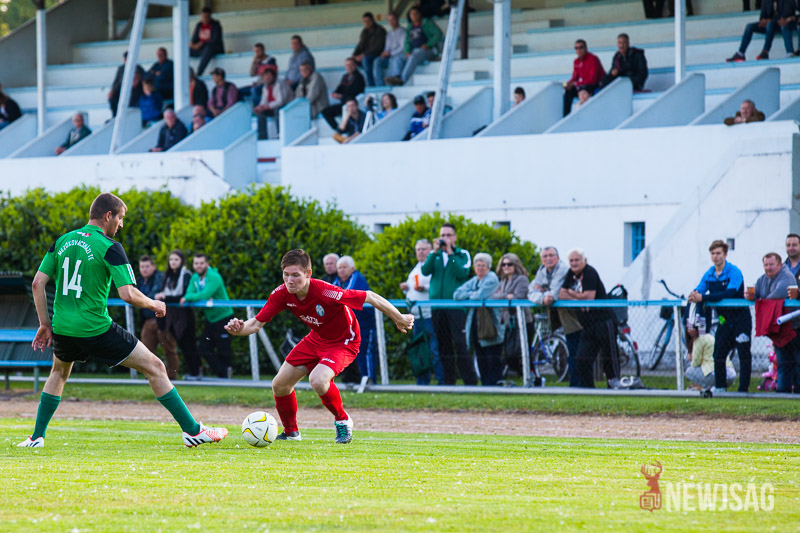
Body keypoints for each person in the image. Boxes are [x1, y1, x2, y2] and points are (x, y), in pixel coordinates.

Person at [17, 192, 227, 449]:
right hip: (95, 329)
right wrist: (154, 303)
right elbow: (128, 294)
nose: (121, 224)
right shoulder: (110, 247)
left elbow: (37, 283)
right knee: (155, 367)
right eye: (121, 218)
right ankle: (193, 431)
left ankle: (36, 437)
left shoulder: (62, 241)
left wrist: (45, 324)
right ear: (108, 216)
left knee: (58, 372)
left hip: (63, 328)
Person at [224, 249, 414, 444]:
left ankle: (343, 420)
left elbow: (370, 296)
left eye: (295, 275)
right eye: (286, 275)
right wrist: (239, 328)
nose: (289, 280)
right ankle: (291, 432)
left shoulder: (326, 291)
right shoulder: (282, 293)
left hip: (344, 342)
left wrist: (399, 318)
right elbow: (256, 324)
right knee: (280, 385)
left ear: (308, 273)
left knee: (318, 379)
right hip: (316, 339)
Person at [688, 240, 752, 392]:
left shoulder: (734, 272)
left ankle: (743, 390)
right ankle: (720, 388)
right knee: (718, 354)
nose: (715, 256)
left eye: (718, 253)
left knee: (743, 355)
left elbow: (729, 293)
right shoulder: (709, 274)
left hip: (740, 318)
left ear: (725, 254)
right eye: (713, 253)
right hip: (724, 320)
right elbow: (699, 290)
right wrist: (694, 294)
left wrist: (703, 298)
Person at [421, 223, 477, 386]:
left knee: (460, 344)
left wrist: (451, 253)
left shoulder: (462, 254)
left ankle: (470, 381)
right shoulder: (435, 255)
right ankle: (448, 381)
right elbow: (425, 270)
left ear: (455, 237)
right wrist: (434, 252)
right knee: (443, 345)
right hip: (437, 307)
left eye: (448, 235)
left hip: (456, 307)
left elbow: (462, 272)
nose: (445, 238)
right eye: (442, 235)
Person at [559, 249, 620, 388]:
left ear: (584, 261)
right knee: (581, 359)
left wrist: (571, 293)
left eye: (577, 260)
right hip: (587, 324)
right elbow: (561, 294)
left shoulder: (589, 272)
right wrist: (577, 299)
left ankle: (614, 387)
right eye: (571, 260)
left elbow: (589, 297)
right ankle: (589, 390)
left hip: (604, 321)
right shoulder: (570, 274)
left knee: (609, 357)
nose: (574, 263)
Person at [746, 252, 800, 393]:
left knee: (798, 363)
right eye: (766, 265)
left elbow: (779, 294)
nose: (768, 268)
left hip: (794, 328)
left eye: (771, 265)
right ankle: (782, 394)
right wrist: (749, 296)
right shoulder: (763, 279)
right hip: (778, 330)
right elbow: (756, 292)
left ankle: (797, 393)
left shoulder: (787, 276)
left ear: (780, 265)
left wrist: (760, 301)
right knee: (782, 364)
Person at [181, 253, 234, 379]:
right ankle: (223, 373)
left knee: (224, 349)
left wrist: (191, 297)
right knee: (203, 348)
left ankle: (226, 375)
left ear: (207, 264)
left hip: (224, 317)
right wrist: (195, 296)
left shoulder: (214, 277)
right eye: (196, 263)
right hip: (211, 319)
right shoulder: (195, 277)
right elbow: (189, 293)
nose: (198, 266)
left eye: (201, 263)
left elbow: (203, 295)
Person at [454, 254, 504, 386]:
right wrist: (472, 294)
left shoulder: (492, 279)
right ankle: (485, 385)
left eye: (483, 265)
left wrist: (470, 295)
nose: (480, 268)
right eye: (478, 265)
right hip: (476, 323)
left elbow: (478, 296)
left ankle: (495, 384)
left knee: (492, 355)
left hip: (491, 324)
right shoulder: (474, 280)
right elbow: (457, 294)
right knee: (480, 354)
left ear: (488, 267)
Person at [400, 239, 442, 385]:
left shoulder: (433, 266)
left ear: (430, 251)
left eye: (424, 249)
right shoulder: (415, 269)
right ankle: (422, 383)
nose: (421, 252)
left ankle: (442, 382)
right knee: (420, 350)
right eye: (418, 249)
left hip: (429, 316)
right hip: (416, 317)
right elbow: (413, 290)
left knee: (434, 350)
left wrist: (425, 289)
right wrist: (406, 288)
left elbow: (436, 288)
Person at [155, 250, 200, 381]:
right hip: (171, 315)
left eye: (176, 260)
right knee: (179, 344)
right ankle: (190, 372)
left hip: (184, 315)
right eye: (171, 260)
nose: (173, 262)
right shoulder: (168, 276)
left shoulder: (186, 275)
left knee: (189, 344)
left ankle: (196, 372)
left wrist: (165, 297)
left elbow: (183, 296)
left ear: (181, 261)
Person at [333, 256, 377, 383]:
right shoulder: (337, 281)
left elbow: (347, 295)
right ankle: (357, 380)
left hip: (364, 324)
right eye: (339, 268)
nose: (341, 270)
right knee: (351, 353)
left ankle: (369, 381)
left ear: (352, 268)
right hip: (349, 326)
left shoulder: (357, 278)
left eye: (344, 267)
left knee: (366, 352)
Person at [136, 255, 178, 380]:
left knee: (169, 349)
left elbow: (151, 295)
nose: (144, 269)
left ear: (153, 267)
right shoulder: (139, 280)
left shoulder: (160, 277)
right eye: (142, 267)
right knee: (145, 350)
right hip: (148, 320)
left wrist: (140, 298)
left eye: (147, 266)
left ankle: (172, 377)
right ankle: (150, 375)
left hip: (163, 321)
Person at [492, 253, 531, 376]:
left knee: (521, 353)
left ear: (515, 265)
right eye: (503, 264)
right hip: (508, 321)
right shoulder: (503, 280)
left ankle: (530, 377)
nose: (506, 267)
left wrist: (502, 296)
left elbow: (518, 297)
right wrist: (507, 296)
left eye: (509, 264)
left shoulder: (522, 279)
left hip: (522, 321)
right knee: (509, 352)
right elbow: (493, 296)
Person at [387, 7, 443, 86]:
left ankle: (402, 79)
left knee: (413, 56)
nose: (413, 16)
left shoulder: (426, 22)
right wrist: (407, 51)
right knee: (398, 58)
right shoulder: (410, 26)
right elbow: (407, 41)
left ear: (419, 14)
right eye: (411, 14)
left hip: (429, 50)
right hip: (414, 50)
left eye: (415, 14)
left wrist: (428, 44)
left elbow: (439, 34)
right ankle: (395, 77)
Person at [726, 0, 796, 62]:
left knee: (770, 25)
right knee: (749, 26)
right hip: (769, 25)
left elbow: (786, 15)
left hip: (783, 24)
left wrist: (770, 21)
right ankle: (740, 54)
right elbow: (763, 15)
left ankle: (765, 52)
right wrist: (763, 21)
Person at [685, 318, 736, 390]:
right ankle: (711, 387)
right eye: (689, 328)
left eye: (693, 328)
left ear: (697, 328)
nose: (690, 330)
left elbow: (695, 363)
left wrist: (691, 358)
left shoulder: (698, 339)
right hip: (731, 375)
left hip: (718, 375)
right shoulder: (710, 336)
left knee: (689, 371)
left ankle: (707, 388)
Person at [321, 57, 366, 131]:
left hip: (352, 103)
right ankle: (338, 129)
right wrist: (335, 93)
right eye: (347, 65)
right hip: (343, 103)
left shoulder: (359, 77)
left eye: (350, 65)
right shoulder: (345, 77)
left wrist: (341, 96)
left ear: (355, 65)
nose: (349, 67)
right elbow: (340, 88)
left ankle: (343, 130)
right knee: (326, 111)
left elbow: (355, 92)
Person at [563, 39, 605, 116]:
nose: (578, 50)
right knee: (568, 92)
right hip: (584, 85)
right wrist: (566, 84)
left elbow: (592, 79)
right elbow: (574, 78)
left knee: (583, 90)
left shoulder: (593, 59)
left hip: (596, 85)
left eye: (581, 47)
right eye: (576, 48)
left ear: (586, 48)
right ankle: (565, 117)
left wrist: (575, 84)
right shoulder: (576, 61)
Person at [254, 65, 293, 140]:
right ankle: (262, 136)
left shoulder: (280, 83)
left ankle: (280, 133)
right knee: (260, 113)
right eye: (265, 76)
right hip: (272, 107)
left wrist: (267, 106)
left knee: (277, 110)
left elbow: (281, 101)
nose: (267, 78)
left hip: (287, 106)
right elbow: (264, 101)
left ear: (274, 76)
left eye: (269, 76)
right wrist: (260, 107)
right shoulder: (265, 86)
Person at [352, 12, 386, 87]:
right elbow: (360, 45)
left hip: (376, 54)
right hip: (366, 55)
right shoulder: (365, 32)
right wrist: (354, 55)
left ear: (373, 20)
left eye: (368, 21)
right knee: (350, 61)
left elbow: (378, 47)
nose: (366, 23)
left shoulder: (380, 30)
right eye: (365, 21)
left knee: (365, 60)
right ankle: (355, 85)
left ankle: (371, 84)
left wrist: (363, 55)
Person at [374, 12, 407, 87]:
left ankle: (393, 79)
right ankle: (380, 84)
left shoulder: (403, 31)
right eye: (389, 20)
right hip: (389, 55)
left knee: (395, 59)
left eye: (393, 19)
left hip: (400, 54)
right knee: (377, 61)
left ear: (397, 19)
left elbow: (402, 47)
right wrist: (384, 53)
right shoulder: (389, 33)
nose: (391, 22)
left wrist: (391, 53)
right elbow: (387, 47)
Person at [189, 7, 224, 77]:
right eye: (203, 17)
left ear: (210, 17)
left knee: (208, 48)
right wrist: (193, 45)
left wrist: (202, 43)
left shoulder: (216, 24)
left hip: (214, 49)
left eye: (206, 17)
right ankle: (187, 73)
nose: (205, 19)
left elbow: (215, 40)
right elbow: (194, 40)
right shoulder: (199, 25)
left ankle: (199, 73)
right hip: (202, 50)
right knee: (185, 50)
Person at [108, 52, 145, 117]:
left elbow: (144, 78)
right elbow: (116, 81)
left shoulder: (138, 68)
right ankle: (115, 116)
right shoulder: (121, 68)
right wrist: (112, 90)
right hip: (122, 90)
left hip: (134, 90)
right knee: (112, 97)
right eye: (125, 59)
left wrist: (137, 81)